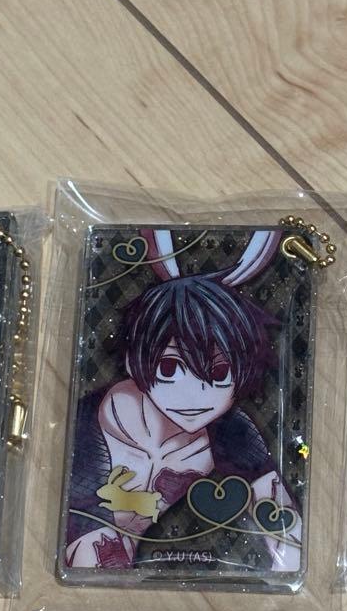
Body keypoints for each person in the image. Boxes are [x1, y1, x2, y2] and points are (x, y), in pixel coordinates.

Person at [65, 229, 300, 571]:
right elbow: (83, 537)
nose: (195, 394)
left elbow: (286, 528)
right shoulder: (91, 421)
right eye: (170, 367)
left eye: (219, 373)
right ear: (133, 360)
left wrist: (286, 566)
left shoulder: (232, 431)